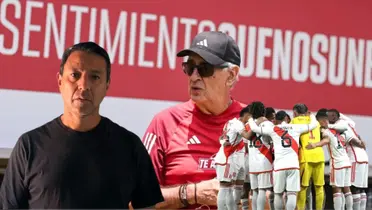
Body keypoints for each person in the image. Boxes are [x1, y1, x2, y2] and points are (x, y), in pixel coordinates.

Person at [0, 42, 164, 209]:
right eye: (75, 75)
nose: (84, 85)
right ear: (59, 81)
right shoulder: (29, 146)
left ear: (107, 85)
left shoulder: (130, 146)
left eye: (95, 77)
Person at [141, 31, 245, 209]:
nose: (194, 76)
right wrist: (192, 193)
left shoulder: (253, 125)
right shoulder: (165, 123)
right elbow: (134, 201)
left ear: (231, 75)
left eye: (205, 68)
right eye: (190, 67)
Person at [248, 110, 318, 210]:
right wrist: (311, 115)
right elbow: (314, 125)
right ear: (286, 118)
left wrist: (250, 118)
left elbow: (254, 128)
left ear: (276, 120)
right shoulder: (296, 127)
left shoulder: (273, 129)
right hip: (293, 166)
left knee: (278, 194)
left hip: (279, 166)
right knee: (292, 194)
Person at [306, 111, 352, 210]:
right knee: (347, 189)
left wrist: (314, 145)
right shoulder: (340, 131)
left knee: (337, 189)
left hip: (337, 163)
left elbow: (326, 140)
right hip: (347, 161)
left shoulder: (326, 131)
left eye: (319, 122)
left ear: (322, 121)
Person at [327, 109, 369, 210]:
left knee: (352, 187)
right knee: (360, 188)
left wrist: (360, 143)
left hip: (355, 158)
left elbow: (352, 139)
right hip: (363, 157)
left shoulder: (341, 125)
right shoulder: (350, 123)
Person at [214, 106, 253, 210]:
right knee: (225, 187)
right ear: (247, 115)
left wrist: (223, 142)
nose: (251, 120)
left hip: (232, 158)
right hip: (227, 158)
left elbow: (222, 138)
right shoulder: (238, 124)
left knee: (230, 187)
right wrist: (256, 125)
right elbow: (247, 136)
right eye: (251, 117)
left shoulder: (230, 122)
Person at [291, 103, 325, 210]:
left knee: (303, 187)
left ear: (295, 113)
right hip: (319, 156)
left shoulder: (294, 121)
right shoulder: (315, 122)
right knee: (319, 187)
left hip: (306, 157)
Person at [245, 101, 274, 210]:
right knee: (262, 190)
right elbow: (273, 141)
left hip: (252, 161)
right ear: (263, 111)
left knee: (255, 191)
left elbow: (245, 143)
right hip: (264, 160)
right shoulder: (268, 124)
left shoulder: (248, 125)